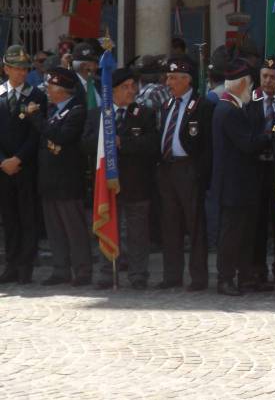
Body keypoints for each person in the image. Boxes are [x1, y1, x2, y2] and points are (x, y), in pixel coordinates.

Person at [83, 67, 160, 289]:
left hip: (136, 183)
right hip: (105, 185)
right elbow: (84, 144)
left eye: (133, 86)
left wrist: (121, 143)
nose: (131, 90)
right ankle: (107, 273)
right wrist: (103, 141)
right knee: (107, 226)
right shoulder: (97, 114)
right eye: (125, 87)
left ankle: (138, 274)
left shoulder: (144, 113)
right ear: (112, 91)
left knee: (137, 233)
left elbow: (151, 145)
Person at [211, 59, 272, 296]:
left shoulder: (234, 107)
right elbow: (247, 144)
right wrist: (269, 134)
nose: (250, 89)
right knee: (232, 235)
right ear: (240, 85)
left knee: (245, 235)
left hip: (243, 184)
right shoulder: (228, 110)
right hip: (234, 186)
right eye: (248, 85)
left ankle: (245, 278)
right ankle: (225, 278)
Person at [29, 67, 91, 286]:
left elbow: (61, 136)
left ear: (62, 89)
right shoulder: (53, 110)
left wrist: (37, 119)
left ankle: (82, 270)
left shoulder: (76, 111)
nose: (47, 90)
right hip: (49, 180)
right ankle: (60, 269)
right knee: (55, 230)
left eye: (51, 86)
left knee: (74, 229)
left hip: (67, 181)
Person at [156, 55, 213, 291]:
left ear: (186, 80)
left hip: (189, 170)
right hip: (167, 169)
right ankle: (172, 275)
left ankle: (198, 277)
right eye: (168, 77)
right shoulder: (167, 104)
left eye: (172, 78)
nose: (168, 83)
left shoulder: (202, 106)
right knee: (170, 225)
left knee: (194, 225)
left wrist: (201, 174)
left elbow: (208, 145)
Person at [0, 45, 42, 284]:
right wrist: (3, 161)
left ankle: (26, 266)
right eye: (16, 68)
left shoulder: (36, 96)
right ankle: (12, 264)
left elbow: (36, 134)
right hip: (4, 169)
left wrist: (19, 159)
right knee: (9, 218)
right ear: (6, 69)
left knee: (28, 218)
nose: (21, 73)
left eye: (24, 69)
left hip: (26, 167)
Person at [250, 57, 275, 286]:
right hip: (257, 170)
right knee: (257, 224)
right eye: (264, 76)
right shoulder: (251, 103)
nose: (268, 81)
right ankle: (257, 270)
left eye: (273, 77)